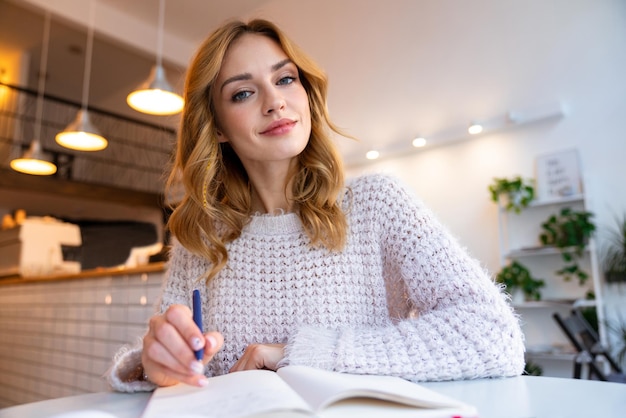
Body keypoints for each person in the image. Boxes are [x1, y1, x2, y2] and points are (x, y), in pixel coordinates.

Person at [107, 18, 525, 392]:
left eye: (286, 79)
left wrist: (299, 353)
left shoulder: (377, 204)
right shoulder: (201, 238)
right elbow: (177, 371)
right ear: (216, 127)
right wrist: (154, 366)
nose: (275, 102)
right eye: (244, 93)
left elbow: (493, 334)